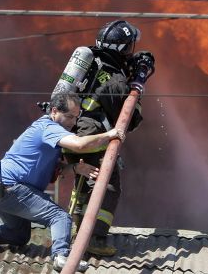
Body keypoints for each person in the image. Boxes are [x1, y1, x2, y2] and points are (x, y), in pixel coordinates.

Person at [0, 91, 125, 272]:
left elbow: (52, 170)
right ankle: (61, 257)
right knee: (59, 217)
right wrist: (110, 134)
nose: (73, 122)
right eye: (69, 117)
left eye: (76, 117)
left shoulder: (49, 135)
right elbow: (80, 144)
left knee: (19, 236)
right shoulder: (48, 128)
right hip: (11, 188)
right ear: (54, 111)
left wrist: (74, 169)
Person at [60, 20, 155, 257]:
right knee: (108, 185)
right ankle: (95, 238)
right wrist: (138, 82)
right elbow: (131, 118)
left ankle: (76, 232)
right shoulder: (115, 79)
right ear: (123, 49)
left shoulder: (94, 64)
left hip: (72, 134)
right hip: (91, 135)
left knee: (83, 182)